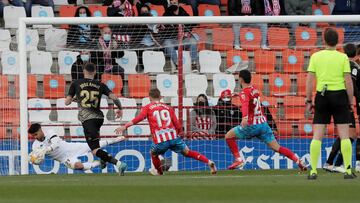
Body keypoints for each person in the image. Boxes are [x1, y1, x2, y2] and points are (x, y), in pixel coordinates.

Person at [114, 88, 217, 175]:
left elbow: (139, 118)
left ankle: (160, 173)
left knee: (153, 153)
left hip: (161, 140)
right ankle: (208, 161)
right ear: (160, 97)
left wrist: (125, 126)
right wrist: (178, 134)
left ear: (149, 97)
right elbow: (177, 125)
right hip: (173, 137)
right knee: (187, 152)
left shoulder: (148, 107)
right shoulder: (168, 107)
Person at [225, 70, 307, 171]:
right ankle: (298, 160)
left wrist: (245, 117)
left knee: (228, 136)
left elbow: (246, 104)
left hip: (252, 125)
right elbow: (251, 99)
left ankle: (238, 159)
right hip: (263, 125)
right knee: (277, 147)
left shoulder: (244, 93)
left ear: (241, 79)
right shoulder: (254, 89)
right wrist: (239, 94)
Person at [306, 28, 356, 179]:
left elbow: (309, 80)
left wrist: (308, 100)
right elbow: (348, 81)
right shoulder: (343, 58)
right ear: (338, 41)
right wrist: (350, 101)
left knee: (317, 135)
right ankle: (347, 170)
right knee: (345, 135)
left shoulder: (316, 56)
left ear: (324, 40)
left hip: (322, 96)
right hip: (340, 95)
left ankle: (313, 171)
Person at [65, 62, 128, 175]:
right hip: (99, 118)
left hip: (88, 120)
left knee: (94, 150)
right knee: (96, 144)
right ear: (94, 72)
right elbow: (113, 97)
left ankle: (118, 163)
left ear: (83, 71)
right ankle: (103, 159)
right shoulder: (100, 84)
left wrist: (74, 98)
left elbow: (67, 102)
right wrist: (120, 108)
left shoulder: (76, 83)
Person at [322, 43, 360, 173]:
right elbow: (353, 84)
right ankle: (332, 163)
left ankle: (334, 163)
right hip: (345, 101)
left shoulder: (339, 64)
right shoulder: (353, 66)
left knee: (349, 134)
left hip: (334, 98)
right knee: (348, 135)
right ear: (356, 54)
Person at [28, 123, 126, 172]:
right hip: (64, 158)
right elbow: (39, 159)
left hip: (70, 148)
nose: (35, 137)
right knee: (78, 166)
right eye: (33, 136)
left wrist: (45, 150)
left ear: (40, 130)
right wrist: (35, 160)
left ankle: (115, 140)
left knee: (94, 146)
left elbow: (56, 144)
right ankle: (99, 162)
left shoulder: (50, 132)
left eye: (36, 134)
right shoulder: (35, 145)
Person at [162, 0, 199, 72]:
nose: (173, 5)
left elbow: (191, 25)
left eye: (175, 3)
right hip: (172, 40)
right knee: (167, 43)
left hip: (183, 40)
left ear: (179, 4)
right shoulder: (166, 14)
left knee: (193, 41)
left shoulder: (184, 13)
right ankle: (177, 64)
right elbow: (164, 31)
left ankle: (193, 64)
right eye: (172, 4)